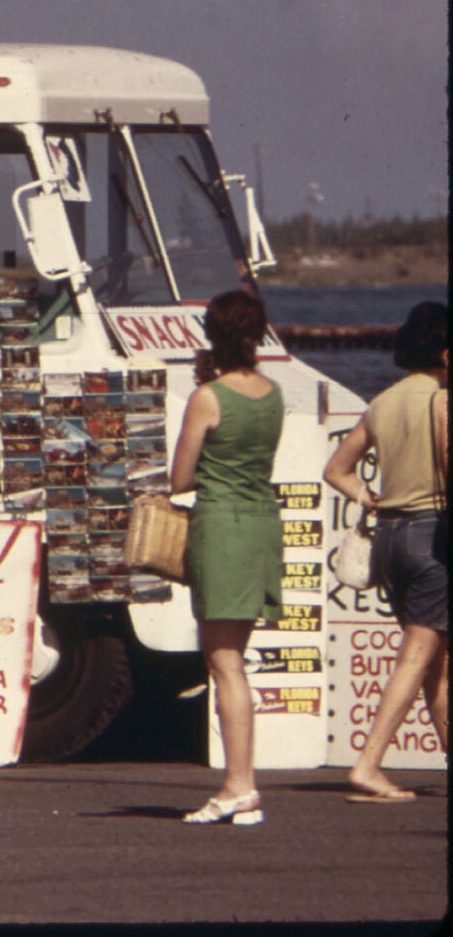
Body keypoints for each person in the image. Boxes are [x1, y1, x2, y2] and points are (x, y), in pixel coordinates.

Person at [323, 300, 448, 802]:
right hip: (433, 534)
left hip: (390, 538)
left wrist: (367, 497)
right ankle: (369, 764)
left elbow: (337, 469)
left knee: (435, 661)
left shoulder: (383, 402)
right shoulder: (442, 400)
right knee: (416, 658)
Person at [169, 289, 283, 826]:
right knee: (234, 658)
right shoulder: (274, 393)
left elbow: (181, 478)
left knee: (224, 663)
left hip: (223, 526)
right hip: (262, 523)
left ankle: (239, 785)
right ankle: (241, 785)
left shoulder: (209, 396)